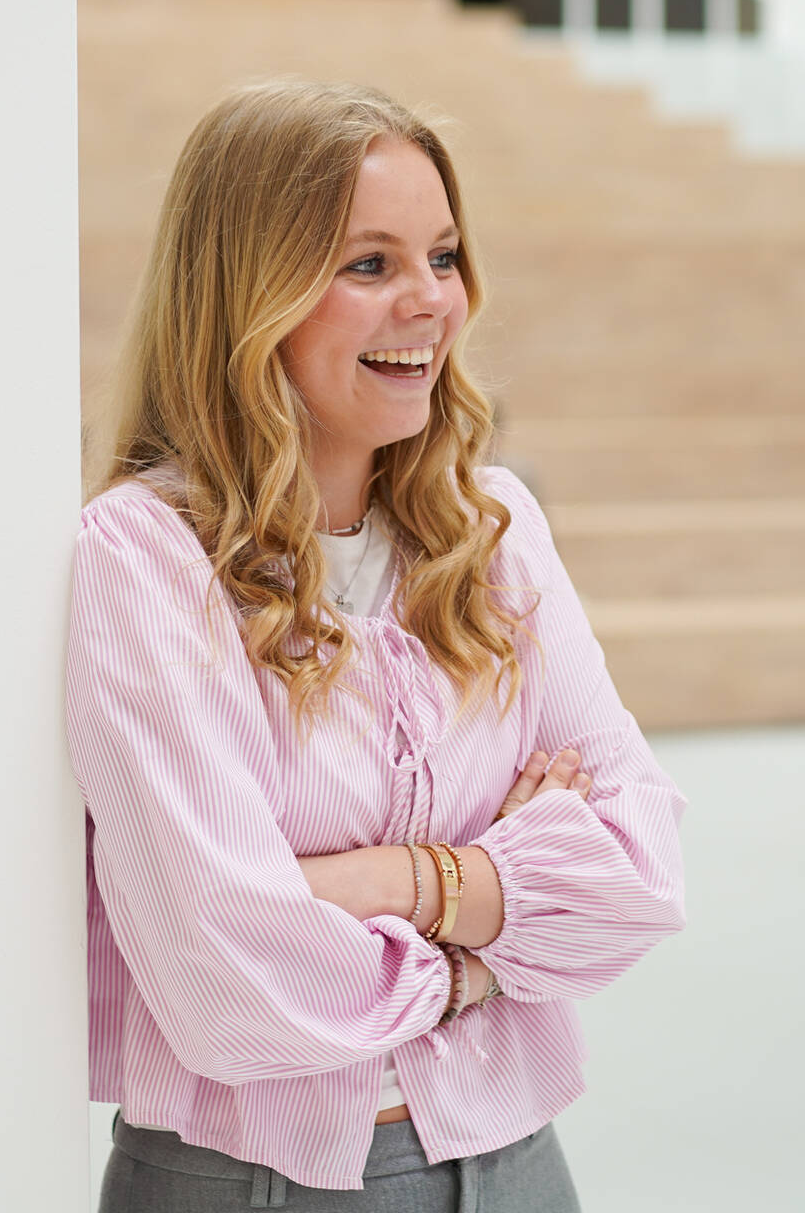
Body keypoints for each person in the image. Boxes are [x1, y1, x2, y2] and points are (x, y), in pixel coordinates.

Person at [66, 78, 689, 1210]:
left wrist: (368, 884)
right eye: (370, 265)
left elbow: (641, 869)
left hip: (520, 1161)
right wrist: (489, 929)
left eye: (444, 257)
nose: (430, 303)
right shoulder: (144, 556)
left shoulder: (492, 527)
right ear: (247, 296)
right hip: (259, 1182)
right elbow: (227, 970)